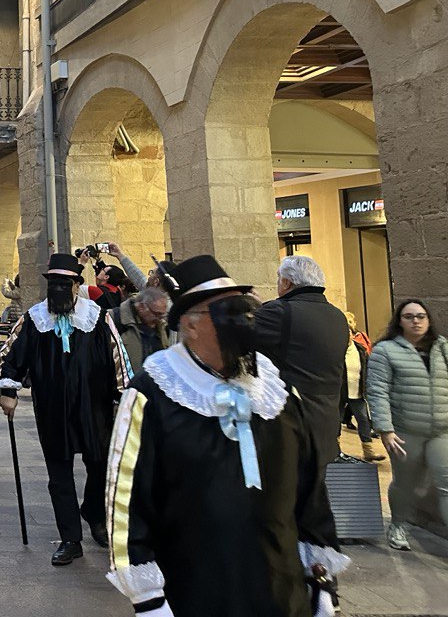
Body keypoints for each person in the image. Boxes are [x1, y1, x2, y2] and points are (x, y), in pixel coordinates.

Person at [104, 254, 347, 617]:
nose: (244, 322)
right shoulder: (154, 393)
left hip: (280, 584)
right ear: (190, 324)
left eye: (246, 310)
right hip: (195, 586)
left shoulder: (276, 392)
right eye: (227, 312)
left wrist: (321, 575)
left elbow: (309, 487)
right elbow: (125, 499)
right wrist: (148, 598)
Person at [0, 253, 132, 565]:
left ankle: (95, 515)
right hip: (53, 409)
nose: (57, 289)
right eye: (52, 284)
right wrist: (7, 389)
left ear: (76, 286)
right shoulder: (34, 319)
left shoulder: (97, 318)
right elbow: (12, 353)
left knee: (99, 466)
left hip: (93, 408)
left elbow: (117, 356)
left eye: (64, 284)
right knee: (59, 474)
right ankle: (70, 538)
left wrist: (124, 395)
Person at [251, 255, 350, 467]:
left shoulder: (278, 313)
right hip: (328, 418)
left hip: (292, 417)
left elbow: (238, 335)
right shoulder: (338, 316)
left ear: (287, 282)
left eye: (279, 278)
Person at [367, 299, 448, 551]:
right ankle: (398, 524)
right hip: (405, 431)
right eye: (409, 316)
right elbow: (377, 391)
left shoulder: (442, 347)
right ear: (399, 321)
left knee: (446, 483)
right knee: (405, 483)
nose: (416, 321)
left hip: (441, 430)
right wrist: (385, 429)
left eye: (421, 316)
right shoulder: (386, 351)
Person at [341, 312, 383, 463]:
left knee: (364, 420)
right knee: (335, 422)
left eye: (350, 333)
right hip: (340, 392)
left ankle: (368, 451)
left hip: (357, 391)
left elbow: (367, 368)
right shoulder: (336, 351)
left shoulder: (359, 350)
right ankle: (335, 450)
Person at [113, 285, 173, 374]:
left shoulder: (161, 326)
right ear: (141, 307)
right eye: (156, 314)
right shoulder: (113, 320)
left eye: (162, 315)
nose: (160, 319)